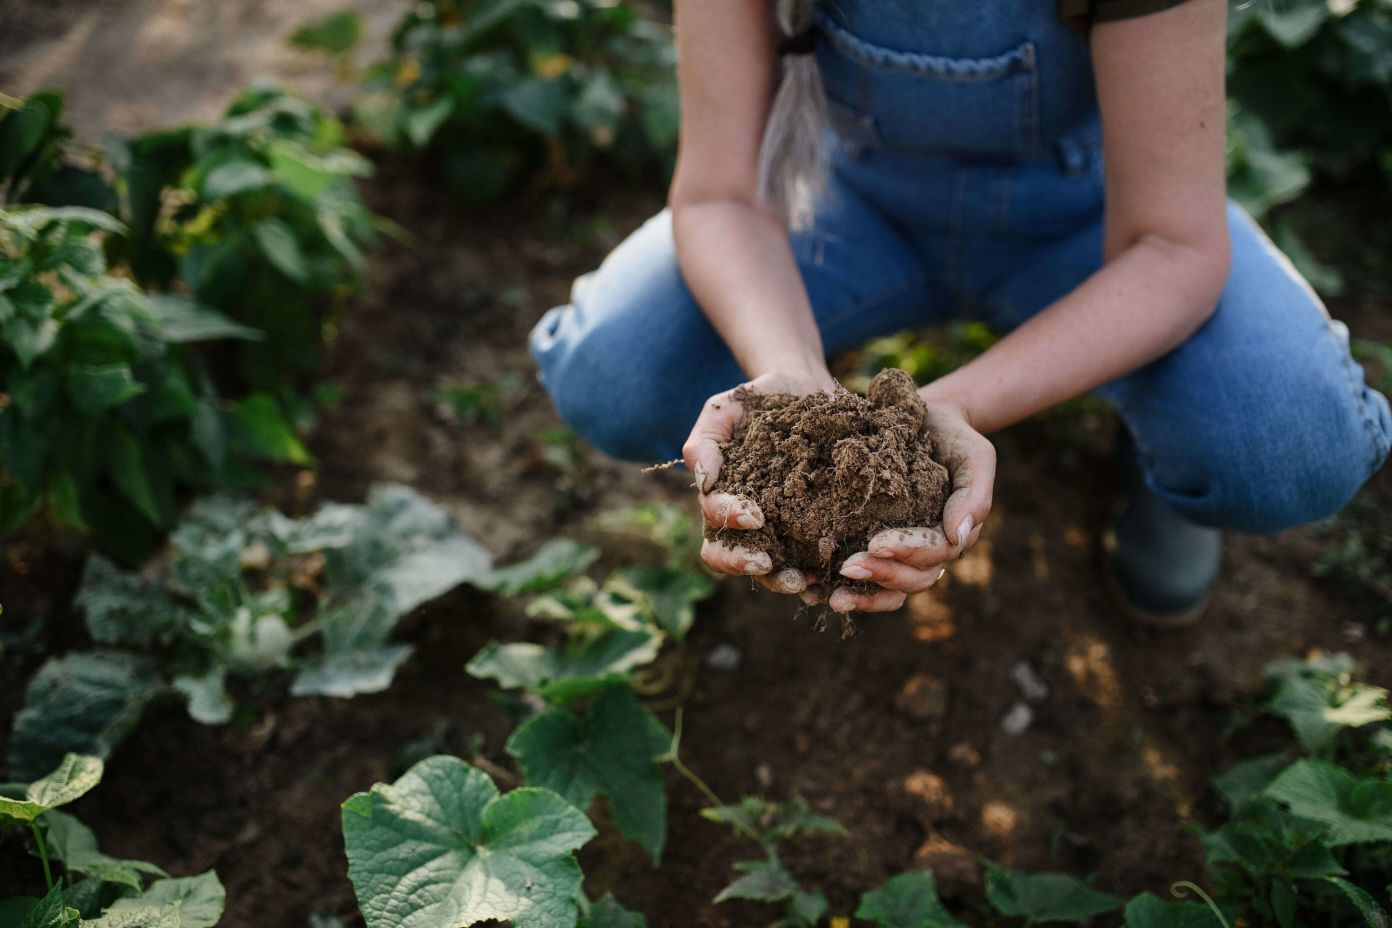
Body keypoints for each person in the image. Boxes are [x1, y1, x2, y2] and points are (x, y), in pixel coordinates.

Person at [528, 0, 1392, 625]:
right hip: (849, 203)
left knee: (1287, 445)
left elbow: (1173, 246)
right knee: (618, 375)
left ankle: (1165, 465)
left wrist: (952, 409)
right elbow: (720, 194)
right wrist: (788, 384)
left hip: (1098, 225)